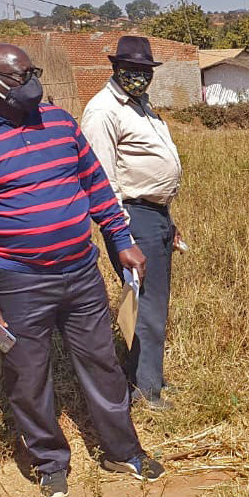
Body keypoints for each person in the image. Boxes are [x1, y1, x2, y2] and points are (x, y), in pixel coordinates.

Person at [0, 44, 163, 497]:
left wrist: (121, 240)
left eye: (33, 72)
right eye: (21, 76)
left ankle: (122, 451)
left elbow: (96, 185)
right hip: (16, 282)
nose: (32, 83)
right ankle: (49, 461)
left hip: (80, 272)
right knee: (28, 377)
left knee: (102, 363)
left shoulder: (59, 123)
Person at [81, 35, 184, 412]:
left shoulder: (140, 105)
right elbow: (102, 181)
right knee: (146, 306)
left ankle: (148, 376)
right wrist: (122, 235)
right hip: (131, 216)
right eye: (132, 70)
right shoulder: (103, 111)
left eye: (145, 70)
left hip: (154, 213)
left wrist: (168, 219)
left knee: (153, 302)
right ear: (115, 68)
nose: (140, 76)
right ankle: (146, 392)